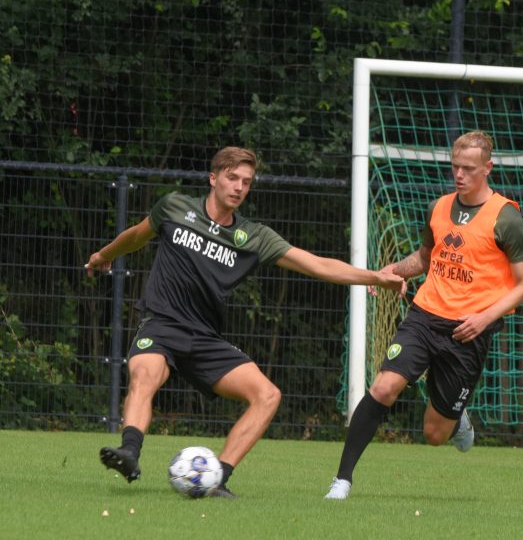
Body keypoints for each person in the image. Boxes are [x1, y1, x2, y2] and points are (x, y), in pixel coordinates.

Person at [86, 146, 405, 498]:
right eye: (232, 177)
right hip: (162, 325)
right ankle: (129, 452)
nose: (238, 187)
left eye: (246, 182)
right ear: (213, 178)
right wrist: (104, 255)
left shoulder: (254, 237)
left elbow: (317, 265)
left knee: (267, 395)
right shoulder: (175, 207)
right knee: (144, 375)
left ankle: (218, 477)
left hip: (205, 338)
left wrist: (375, 277)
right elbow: (136, 235)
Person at [324, 131, 523, 500]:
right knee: (384, 387)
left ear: (488, 167)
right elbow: (424, 259)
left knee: (434, 435)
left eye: (469, 168)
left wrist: (484, 319)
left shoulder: (507, 218)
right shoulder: (439, 207)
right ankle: (342, 480)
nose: (459, 174)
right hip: (424, 316)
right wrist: (393, 269)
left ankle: (457, 418)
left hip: (468, 332)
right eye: (455, 166)